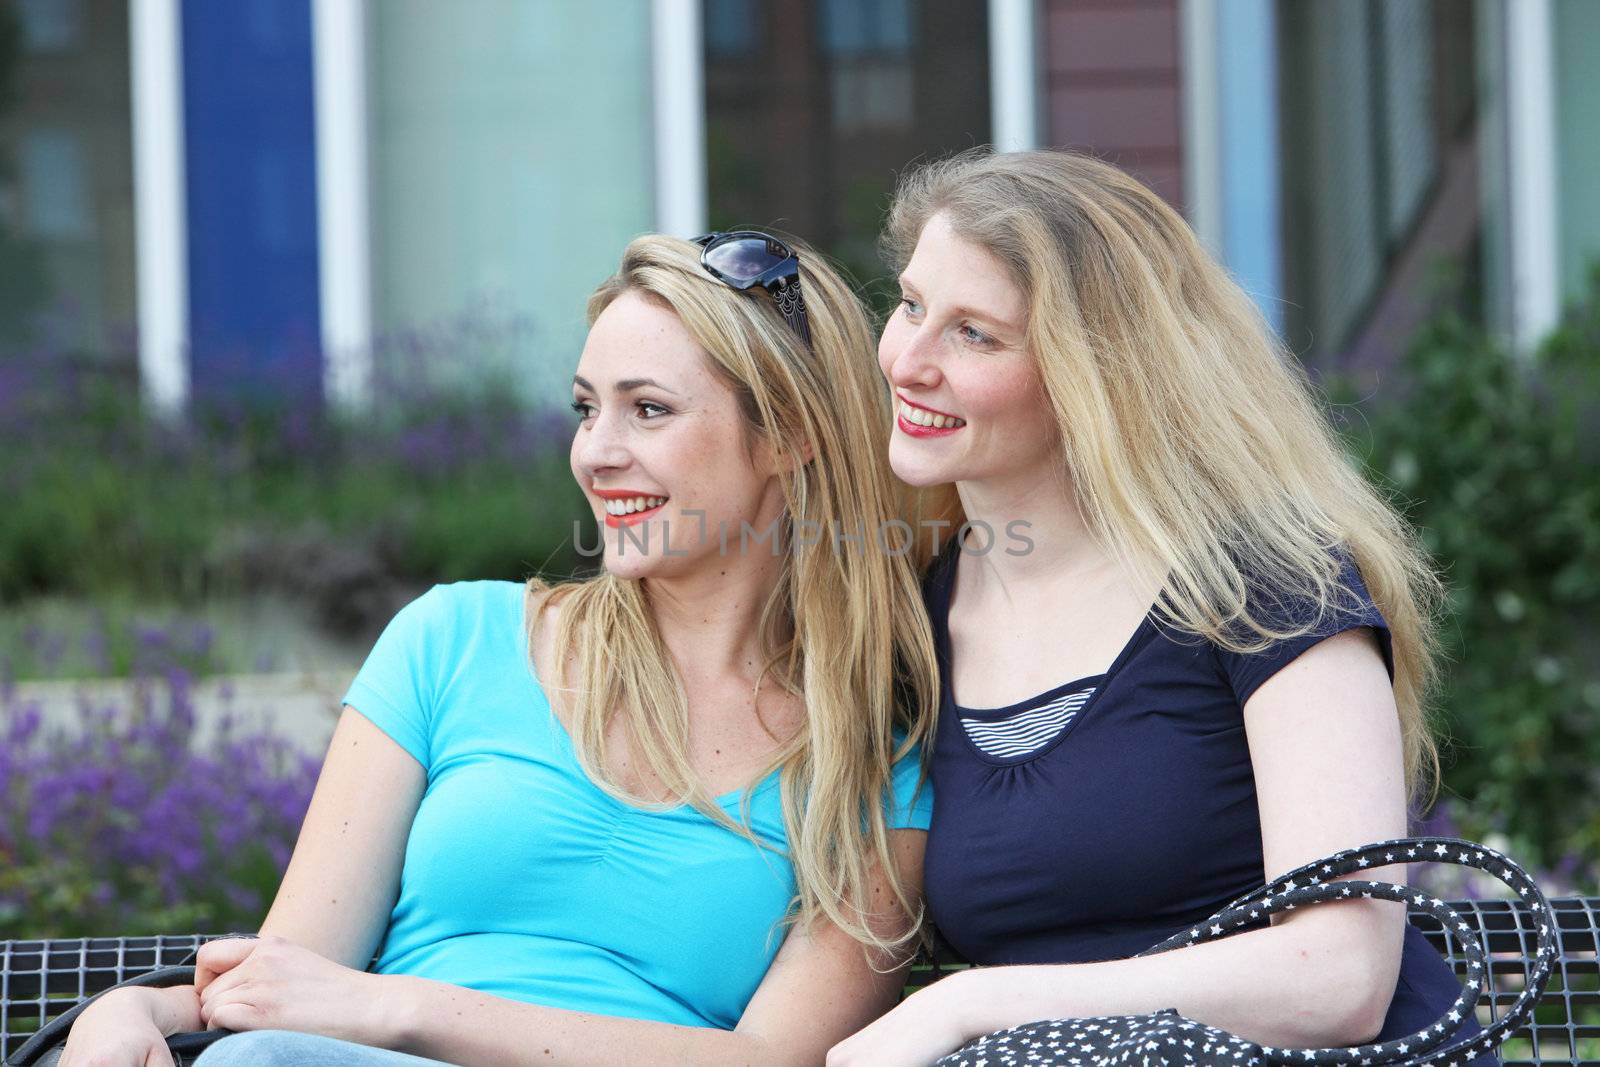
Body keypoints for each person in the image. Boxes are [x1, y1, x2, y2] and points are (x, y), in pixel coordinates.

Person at [59, 231, 941, 1067]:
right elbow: (289, 980)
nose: (596, 452)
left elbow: (773, 1059)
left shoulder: (868, 755)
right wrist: (133, 1006)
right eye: (586, 408)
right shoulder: (452, 642)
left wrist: (407, 1009)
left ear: (790, 435)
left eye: (648, 410)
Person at [828, 149, 1487, 1067]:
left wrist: (980, 1003)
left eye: (974, 333)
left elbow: (1340, 975)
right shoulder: (915, 613)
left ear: (1093, 375)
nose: (909, 360)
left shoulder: (1268, 585)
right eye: (910, 306)